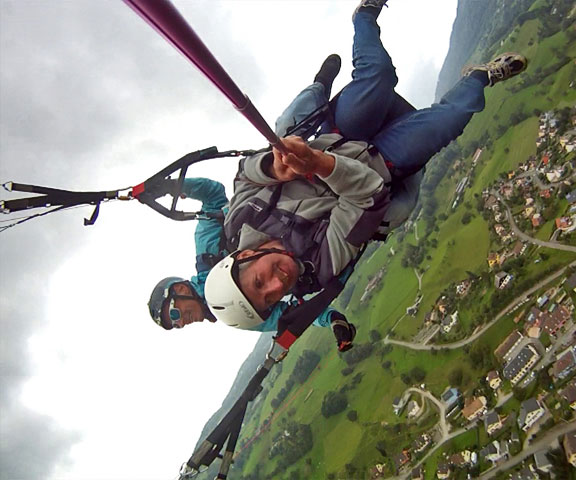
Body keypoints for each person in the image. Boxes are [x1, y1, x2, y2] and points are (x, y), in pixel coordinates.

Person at [148, 0, 527, 351]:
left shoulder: (225, 237)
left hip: (334, 140)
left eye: (176, 315)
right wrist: (332, 318)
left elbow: (231, 187)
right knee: (447, 125)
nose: (277, 285)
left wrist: (266, 167)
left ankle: (358, 25)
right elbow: (293, 314)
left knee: (367, 82)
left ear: (242, 256)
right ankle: (480, 79)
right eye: (268, 295)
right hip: (372, 168)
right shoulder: (308, 274)